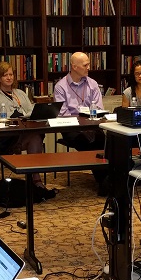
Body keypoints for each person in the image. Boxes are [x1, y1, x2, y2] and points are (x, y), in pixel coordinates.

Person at [0, 61, 56, 201]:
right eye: (5, 75)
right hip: (3, 137)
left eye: (11, 74)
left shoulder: (20, 93)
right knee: (33, 136)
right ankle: (34, 179)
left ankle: (35, 180)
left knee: (35, 136)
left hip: (23, 133)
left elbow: (30, 111)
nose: (9, 78)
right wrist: (8, 118)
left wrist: (25, 116)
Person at [54, 52, 107, 194]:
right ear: (74, 67)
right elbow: (63, 114)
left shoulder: (93, 84)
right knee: (89, 143)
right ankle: (104, 182)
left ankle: (108, 179)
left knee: (104, 141)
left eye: (88, 64)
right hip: (70, 127)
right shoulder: (61, 86)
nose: (89, 67)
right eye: (85, 65)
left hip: (91, 125)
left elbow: (99, 109)